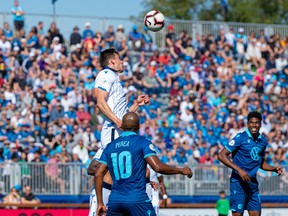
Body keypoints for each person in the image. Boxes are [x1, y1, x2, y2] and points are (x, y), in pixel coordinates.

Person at [87, 48, 149, 216]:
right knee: (103, 169)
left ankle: (103, 201)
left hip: (118, 130)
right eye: (119, 59)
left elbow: (121, 113)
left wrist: (136, 105)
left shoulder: (114, 78)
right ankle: (98, 203)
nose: (123, 62)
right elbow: (100, 101)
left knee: (107, 169)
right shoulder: (106, 74)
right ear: (111, 62)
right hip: (114, 132)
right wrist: (117, 122)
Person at [95, 112, 193, 216]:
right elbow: (158, 167)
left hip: (115, 201)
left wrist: (100, 202)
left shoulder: (110, 146)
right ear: (138, 127)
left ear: (122, 126)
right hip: (137, 199)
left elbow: (98, 174)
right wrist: (181, 170)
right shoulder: (142, 142)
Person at [218, 111, 283, 216]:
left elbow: (261, 163)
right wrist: (239, 170)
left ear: (260, 124)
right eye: (251, 122)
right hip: (238, 183)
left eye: (257, 123)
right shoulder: (240, 137)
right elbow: (221, 155)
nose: (254, 125)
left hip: (252, 185)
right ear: (247, 124)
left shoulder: (262, 141)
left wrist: (274, 168)